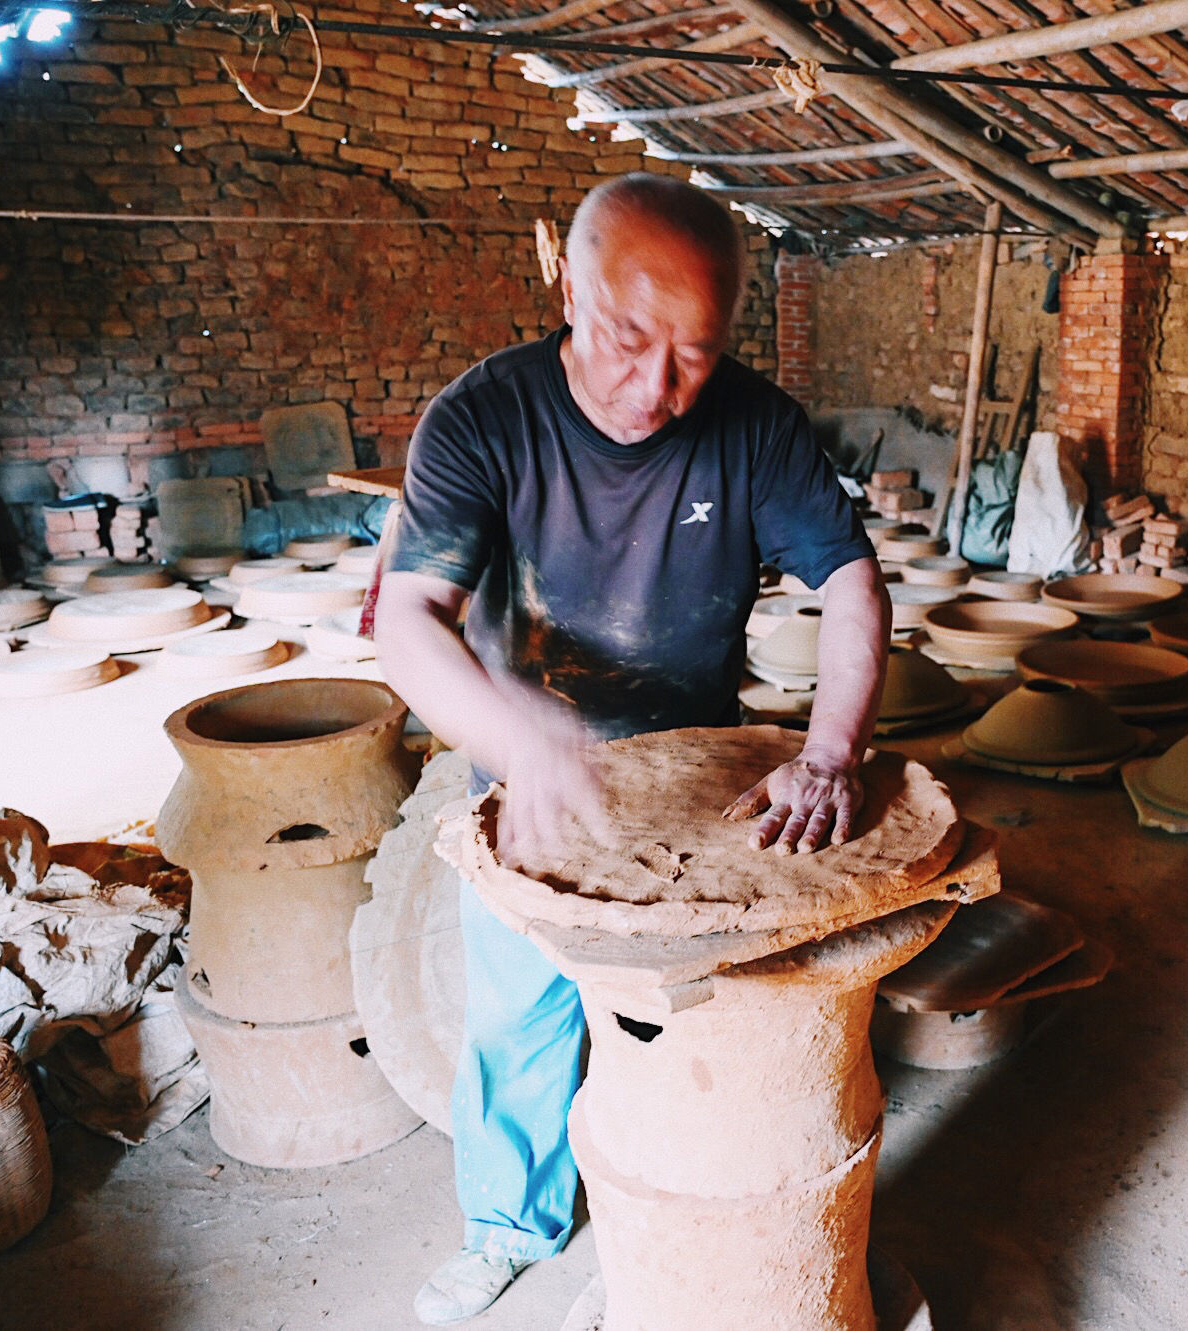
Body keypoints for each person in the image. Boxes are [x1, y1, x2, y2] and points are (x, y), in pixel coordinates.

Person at [373, 174, 890, 1325]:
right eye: (623, 337)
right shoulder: (482, 417)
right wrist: (520, 739)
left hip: (697, 792)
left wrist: (830, 751)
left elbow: (851, 582)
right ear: (568, 283)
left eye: (692, 355)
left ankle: (663, 1247)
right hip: (526, 783)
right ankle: (511, 1224)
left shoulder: (756, 426)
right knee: (519, 1016)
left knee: (679, 1039)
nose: (653, 386)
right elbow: (406, 618)